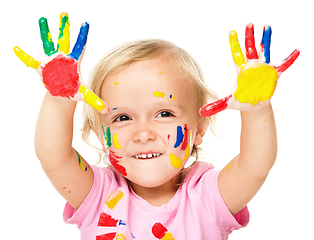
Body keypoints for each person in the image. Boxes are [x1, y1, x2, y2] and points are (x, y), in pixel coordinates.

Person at [14, 13, 299, 240]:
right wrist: (59, 99)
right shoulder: (98, 194)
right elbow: (53, 157)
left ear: (199, 128)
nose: (143, 134)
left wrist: (257, 109)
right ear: (101, 134)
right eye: (122, 118)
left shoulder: (208, 198)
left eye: (163, 113)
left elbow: (255, 165)